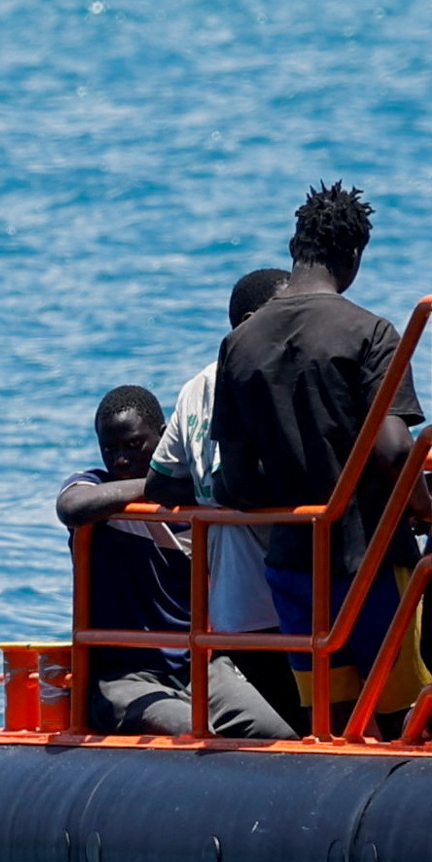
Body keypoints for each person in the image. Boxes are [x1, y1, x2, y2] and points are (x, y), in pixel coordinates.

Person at [213, 180, 420, 724]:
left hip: (292, 565)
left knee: (330, 718)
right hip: (369, 560)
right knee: (404, 718)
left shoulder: (240, 343)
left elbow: (234, 481)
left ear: (294, 246)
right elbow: (395, 450)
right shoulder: (370, 332)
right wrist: (423, 507)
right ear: (353, 256)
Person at [56, 384, 292, 740]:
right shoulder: (97, 489)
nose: (121, 460)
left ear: (165, 438)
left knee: (281, 731)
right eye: (110, 449)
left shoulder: (194, 502)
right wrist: (154, 487)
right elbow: (71, 507)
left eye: (134, 446)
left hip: (201, 667)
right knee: (194, 730)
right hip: (125, 677)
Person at [158, 263, 289, 642]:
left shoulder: (196, 385)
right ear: (250, 323)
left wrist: (202, 494)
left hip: (232, 606)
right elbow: (231, 481)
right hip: (275, 599)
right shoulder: (256, 378)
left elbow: (162, 482)